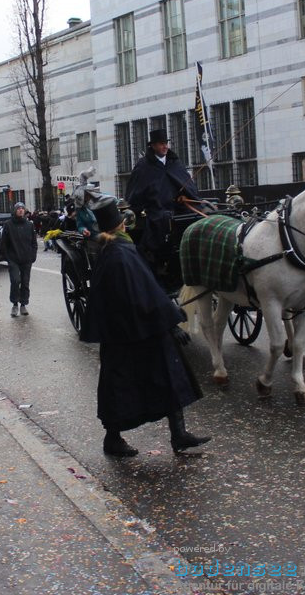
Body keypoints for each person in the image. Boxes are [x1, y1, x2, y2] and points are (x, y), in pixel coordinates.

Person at [80, 195, 211, 457]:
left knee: (126, 382)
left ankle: (176, 434)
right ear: (121, 225)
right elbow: (143, 292)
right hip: (139, 331)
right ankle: (119, 439)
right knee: (158, 376)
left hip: (130, 330)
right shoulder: (120, 254)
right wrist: (170, 321)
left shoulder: (115, 250)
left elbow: (144, 289)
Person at [126, 129, 203, 275]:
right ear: (153, 146)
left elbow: (185, 183)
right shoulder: (143, 166)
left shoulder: (174, 162)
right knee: (162, 221)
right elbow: (135, 194)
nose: (165, 147)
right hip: (157, 210)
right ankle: (160, 262)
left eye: (166, 143)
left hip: (179, 207)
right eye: (162, 144)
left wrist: (184, 195)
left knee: (197, 214)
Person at [0, 202, 37, 317]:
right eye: (18, 208)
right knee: (15, 281)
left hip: (26, 259)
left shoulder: (29, 225)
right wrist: (7, 257)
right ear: (14, 211)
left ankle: (23, 304)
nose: (20, 210)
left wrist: (33, 255)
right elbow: (4, 242)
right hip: (13, 258)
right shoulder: (8, 224)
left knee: (25, 282)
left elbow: (34, 242)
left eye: (22, 208)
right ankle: (15, 304)